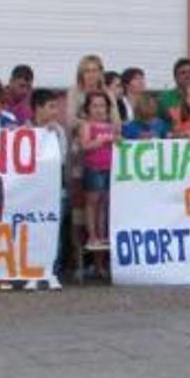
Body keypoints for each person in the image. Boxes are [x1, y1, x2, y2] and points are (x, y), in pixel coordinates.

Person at [28, 89, 66, 290]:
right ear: (37, 108)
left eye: (56, 107)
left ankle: (53, 269)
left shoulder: (58, 131)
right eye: (51, 107)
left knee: (54, 230)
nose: (55, 112)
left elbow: (63, 158)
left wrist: (53, 137)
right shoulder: (23, 130)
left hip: (53, 190)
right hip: (30, 192)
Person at [78, 91, 116, 273]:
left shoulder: (110, 125)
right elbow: (84, 146)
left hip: (109, 168)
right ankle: (92, 235)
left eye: (102, 106)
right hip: (93, 168)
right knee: (92, 203)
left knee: (104, 204)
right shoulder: (87, 125)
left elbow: (118, 142)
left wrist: (116, 140)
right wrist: (99, 141)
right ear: (88, 109)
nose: (99, 109)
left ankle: (101, 236)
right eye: (95, 106)